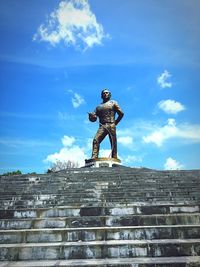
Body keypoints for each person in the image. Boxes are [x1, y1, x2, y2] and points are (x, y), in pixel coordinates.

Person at [88, 89, 124, 159]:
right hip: (102, 126)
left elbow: (121, 114)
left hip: (111, 125)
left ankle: (114, 157)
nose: (105, 94)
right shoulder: (98, 107)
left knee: (113, 142)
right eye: (104, 93)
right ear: (101, 95)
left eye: (107, 93)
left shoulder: (113, 102)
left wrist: (115, 123)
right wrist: (91, 116)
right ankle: (94, 157)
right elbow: (93, 119)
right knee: (96, 140)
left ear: (110, 94)